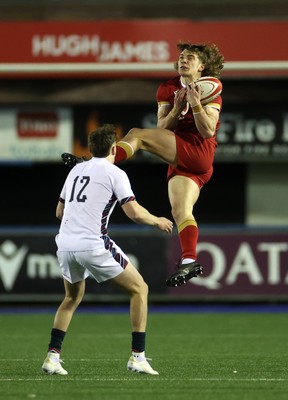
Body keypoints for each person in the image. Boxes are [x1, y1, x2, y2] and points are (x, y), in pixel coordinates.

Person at [62, 41, 224, 288]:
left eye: (190, 57)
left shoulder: (211, 90)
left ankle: (94, 163)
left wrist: (195, 104)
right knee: (181, 212)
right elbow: (162, 128)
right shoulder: (167, 88)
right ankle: (189, 260)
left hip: (199, 151)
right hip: (181, 160)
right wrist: (178, 109)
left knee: (137, 134)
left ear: (202, 66)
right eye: (181, 56)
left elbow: (207, 130)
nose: (184, 60)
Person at [42, 124, 173, 376]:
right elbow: (133, 212)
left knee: (71, 298)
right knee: (140, 289)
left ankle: (52, 357)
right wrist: (157, 220)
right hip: (93, 244)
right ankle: (138, 357)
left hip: (65, 244)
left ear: (90, 148)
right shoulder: (116, 173)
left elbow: (59, 212)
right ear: (114, 148)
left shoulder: (75, 171)